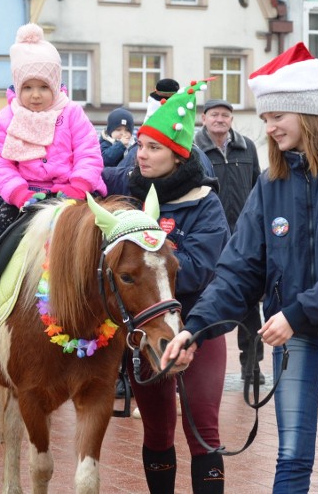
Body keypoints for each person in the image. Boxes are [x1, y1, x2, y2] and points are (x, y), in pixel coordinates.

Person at [161, 43, 318, 493]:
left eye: (276, 117)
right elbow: (238, 270)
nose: (268, 128)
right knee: (290, 458)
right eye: (265, 119)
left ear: (305, 112)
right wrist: (194, 328)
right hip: (298, 336)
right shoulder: (271, 184)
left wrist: (293, 314)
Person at [102, 80, 229, 494]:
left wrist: (151, 257)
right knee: (156, 431)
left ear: (178, 155)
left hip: (198, 327)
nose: (142, 155)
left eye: (153, 148)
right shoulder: (127, 199)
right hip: (147, 333)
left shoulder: (204, 201)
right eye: (140, 146)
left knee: (203, 428)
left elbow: (200, 270)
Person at [0, 23, 107, 311]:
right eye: (27, 87)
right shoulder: (6, 119)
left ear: (55, 86)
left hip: (72, 195)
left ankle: (105, 295)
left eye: (43, 87)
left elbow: (89, 152)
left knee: (102, 236)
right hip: (26, 197)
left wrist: (78, 187)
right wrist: (18, 194)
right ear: (17, 87)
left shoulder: (71, 114)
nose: (36, 95)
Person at [194, 98, 265, 384]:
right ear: (204, 118)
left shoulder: (246, 146)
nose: (220, 119)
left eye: (225, 115)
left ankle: (252, 367)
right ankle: (201, 368)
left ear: (231, 119)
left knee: (249, 305)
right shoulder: (194, 148)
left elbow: (258, 184)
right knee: (205, 301)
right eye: (214, 115)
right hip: (209, 237)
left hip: (244, 237)